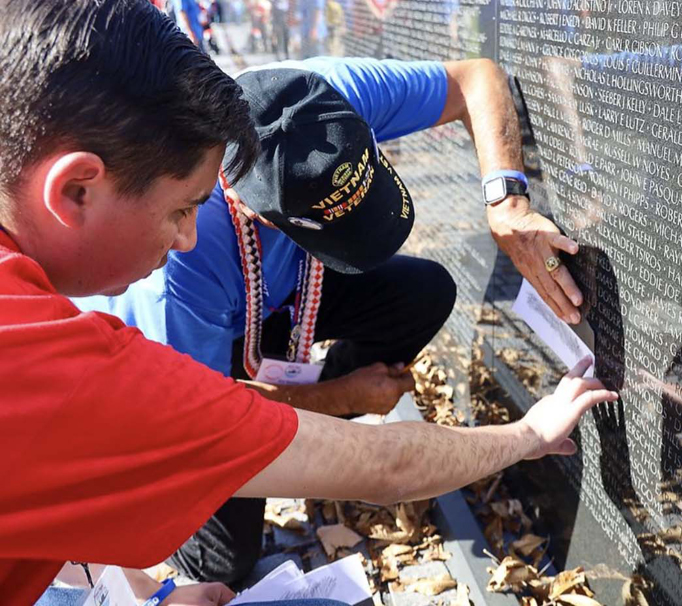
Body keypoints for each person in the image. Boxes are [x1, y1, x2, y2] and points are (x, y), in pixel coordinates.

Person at [0, 1, 618, 604]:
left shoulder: (318, 100)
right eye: (178, 210)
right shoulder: (128, 315)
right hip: (211, 342)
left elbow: (475, 76)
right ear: (77, 189)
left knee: (422, 290)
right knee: (226, 565)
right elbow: (385, 467)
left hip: (279, 303)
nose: (182, 234)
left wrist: (505, 197)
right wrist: (524, 432)